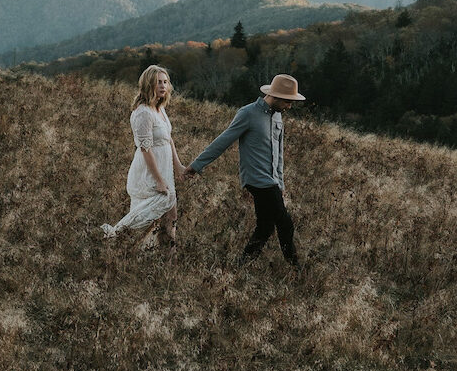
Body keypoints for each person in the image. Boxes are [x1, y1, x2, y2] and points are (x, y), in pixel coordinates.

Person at [182, 74, 305, 266]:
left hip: (272, 181)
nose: (290, 107)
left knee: (265, 227)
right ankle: (297, 269)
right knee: (285, 223)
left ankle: (242, 264)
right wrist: (197, 165)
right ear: (276, 96)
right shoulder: (248, 113)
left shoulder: (278, 116)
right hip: (257, 180)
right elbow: (223, 140)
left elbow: (278, 154)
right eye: (288, 102)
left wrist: (280, 182)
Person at [102, 65, 186, 254]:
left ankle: (167, 261)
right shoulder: (142, 113)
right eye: (158, 82)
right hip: (149, 172)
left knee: (171, 216)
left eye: (165, 82)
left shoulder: (160, 110)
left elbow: (168, 139)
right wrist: (158, 180)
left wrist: (178, 166)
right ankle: (122, 247)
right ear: (148, 85)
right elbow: (145, 149)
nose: (163, 86)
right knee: (150, 219)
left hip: (165, 169)